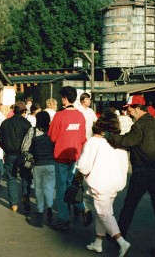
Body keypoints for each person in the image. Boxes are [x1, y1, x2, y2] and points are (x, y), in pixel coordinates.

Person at [104, 95, 155, 257]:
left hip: (142, 172)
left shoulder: (139, 126)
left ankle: (119, 238)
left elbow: (126, 141)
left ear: (138, 108)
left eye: (129, 109)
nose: (127, 112)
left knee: (129, 206)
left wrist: (107, 135)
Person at [78, 110, 131, 256]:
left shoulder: (94, 142)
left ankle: (122, 242)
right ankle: (98, 242)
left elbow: (83, 166)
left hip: (100, 182)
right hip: (115, 182)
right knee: (105, 212)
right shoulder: (118, 142)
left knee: (103, 213)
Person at [48, 86, 91, 231]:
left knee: (61, 189)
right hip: (74, 156)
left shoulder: (59, 116)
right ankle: (82, 208)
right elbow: (82, 138)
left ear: (65, 98)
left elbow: (52, 137)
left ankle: (63, 219)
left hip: (61, 157)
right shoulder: (80, 116)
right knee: (71, 186)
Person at [0, 101, 33, 212]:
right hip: (23, 155)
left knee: (11, 178)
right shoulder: (27, 124)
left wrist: (5, 148)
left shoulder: (5, 123)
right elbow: (30, 141)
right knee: (25, 177)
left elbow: (0, 140)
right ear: (23, 111)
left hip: (9, 154)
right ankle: (25, 197)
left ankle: (14, 204)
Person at [28, 111, 55, 219]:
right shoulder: (52, 132)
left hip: (37, 163)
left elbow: (28, 148)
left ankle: (40, 208)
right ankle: (50, 206)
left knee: (38, 187)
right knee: (49, 186)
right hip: (51, 163)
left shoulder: (33, 132)